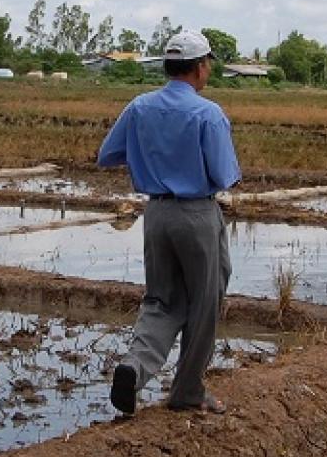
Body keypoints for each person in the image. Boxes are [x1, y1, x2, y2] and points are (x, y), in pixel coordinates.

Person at [95, 29, 242, 415]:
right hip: (196, 215)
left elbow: (108, 155)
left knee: (161, 300)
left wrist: (151, 156)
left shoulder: (140, 107)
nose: (207, 70)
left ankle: (135, 367)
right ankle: (187, 390)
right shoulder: (207, 114)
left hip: (156, 214)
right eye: (207, 63)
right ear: (198, 68)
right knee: (204, 301)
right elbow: (224, 175)